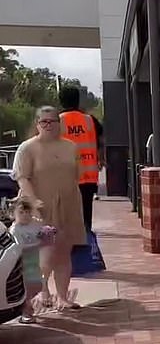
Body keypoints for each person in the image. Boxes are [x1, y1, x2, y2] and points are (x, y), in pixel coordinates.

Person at [12, 106, 86, 310]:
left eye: (52, 121)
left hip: (68, 205)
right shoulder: (27, 148)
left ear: (59, 124)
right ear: (37, 124)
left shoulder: (70, 147)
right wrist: (33, 202)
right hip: (38, 209)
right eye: (43, 121)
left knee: (63, 253)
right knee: (44, 255)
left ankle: (62, 296)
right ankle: (40, 293)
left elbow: (75, 176)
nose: (48, 125)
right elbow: (22, 177)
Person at [58, 84, 103, 235]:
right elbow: (100, 141)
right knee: (86, 211)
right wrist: (101, 159)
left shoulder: (56, 122)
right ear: (78, 101)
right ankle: (86, 236)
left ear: (61, 101)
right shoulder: (90, 120)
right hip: (88, 176)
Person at [9, 197, 55, 323]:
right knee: (26, 287)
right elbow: (18, 247)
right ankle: (26, 310)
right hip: (22, 264)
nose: (25, 216)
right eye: (21, 213)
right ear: (13, 214)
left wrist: (48, 233)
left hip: (35, 261)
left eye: (27, 212)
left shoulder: (35, 224)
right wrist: (38, 243)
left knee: (38, 284)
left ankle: (28, 304)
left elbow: (43, 233)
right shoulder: (15, 229)